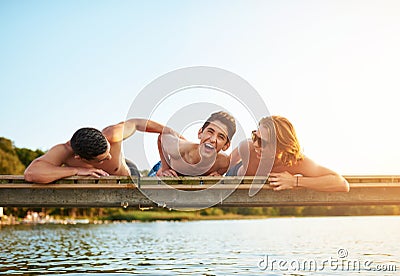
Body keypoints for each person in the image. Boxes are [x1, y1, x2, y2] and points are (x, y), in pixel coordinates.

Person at [24, 119, 177, 183]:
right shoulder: (64, 151)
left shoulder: (113, 134)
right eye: (102, 159)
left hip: (131, 174)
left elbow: (136, 123)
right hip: (105, 182)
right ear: (80, 158)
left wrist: (168, 130)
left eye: (108, 152)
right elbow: (31, 173)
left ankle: (160, 170)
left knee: (182, 166)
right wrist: (76, 170)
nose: (109, 157)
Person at [227, 116, 349, 192]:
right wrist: (218, 173)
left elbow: (341, 183)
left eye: (263, 142)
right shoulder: (247, 147)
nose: (256, 144)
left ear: (281, 146)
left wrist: (294, 181)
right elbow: (226, 162)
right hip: (236, 173)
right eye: (255, 136)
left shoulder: (296, 162)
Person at [155, 111, 236, 176]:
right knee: (159, 174)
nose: (213, 139)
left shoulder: (223, 163)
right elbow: (161, 138)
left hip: (189, 181)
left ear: (226, 146)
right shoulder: (179, 148)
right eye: (210, 132)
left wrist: (217, 176)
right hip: (170, 165)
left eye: (221, 137)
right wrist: (165, 167)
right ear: (200, 133)